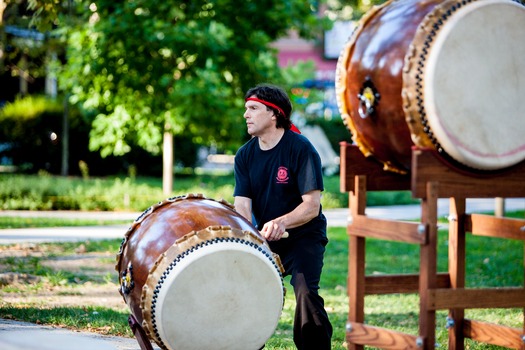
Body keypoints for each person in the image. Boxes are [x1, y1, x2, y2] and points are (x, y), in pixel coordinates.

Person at [233, 83, 333, 349]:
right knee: (245, 294)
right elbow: (242, 206)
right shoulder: (245, 155)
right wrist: (248, 234)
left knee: (306, 292)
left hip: (304, 236)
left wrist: (282, 222)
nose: (246, 114)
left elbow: (311, 206)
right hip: (264, 239)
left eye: (253, 108)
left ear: (274, 113)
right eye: (246, 109)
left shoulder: (301, 148)